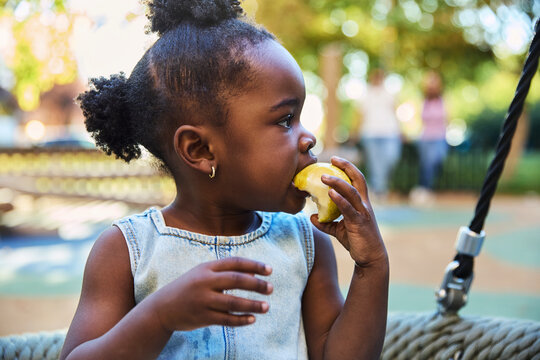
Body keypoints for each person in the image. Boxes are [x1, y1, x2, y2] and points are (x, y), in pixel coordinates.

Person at [60, 1, 389, 359]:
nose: (308, 137)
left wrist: (372, 267)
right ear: (200, 149)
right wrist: (159, 316)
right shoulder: (127, 251)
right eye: (284, 120)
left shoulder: (306, 246)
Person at [356, 68, 402, 201]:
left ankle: (379, 187)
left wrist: (401, 130)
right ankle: (379, 190)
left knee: (391, 158)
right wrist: (356, 131)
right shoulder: (366, 94)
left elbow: (395, 112)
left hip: (390, 133)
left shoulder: (390, 94)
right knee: (375, 164)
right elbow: (360, 114)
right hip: (370, 133)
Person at [411, 71, 448, 204]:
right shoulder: (423, 101)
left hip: (439, 137)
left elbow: (447, 118)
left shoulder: (443, 100)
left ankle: (425, 188)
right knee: (427, 163)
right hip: (426, 138)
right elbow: (419, 119)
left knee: (436, 161)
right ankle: (425, 189)